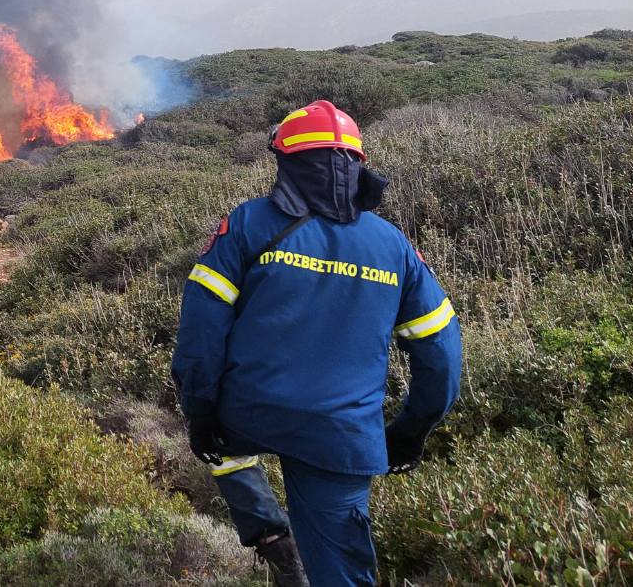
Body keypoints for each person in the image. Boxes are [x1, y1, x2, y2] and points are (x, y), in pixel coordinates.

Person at [171, 100, 462, 587]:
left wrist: (199, 410)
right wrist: (413, 429)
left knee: (219, 440)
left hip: (250, 413)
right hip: (340, 433)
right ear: (358, 164)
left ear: (285, 160)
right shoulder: (393, 245)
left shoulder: (247, 224)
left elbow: (202, 329)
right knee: (341, 573)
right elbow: (442, 353)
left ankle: (269, 534)